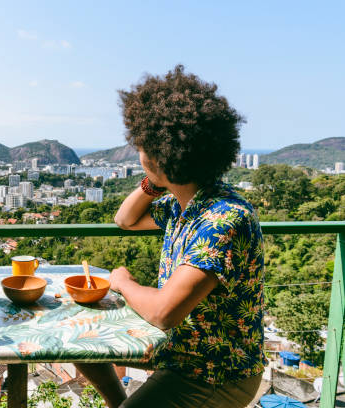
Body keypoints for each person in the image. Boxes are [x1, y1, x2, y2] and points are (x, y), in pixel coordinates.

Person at [75, 66, 266, 408]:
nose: (138, 152)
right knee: (83, 348)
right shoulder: (187, 203)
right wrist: (155, 180)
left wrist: (122, 282)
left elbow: (164, 312)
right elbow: (125, 219)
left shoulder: (221, 219)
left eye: (144, 146)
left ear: (162, 154)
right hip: (181, 352)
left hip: (213, 373)